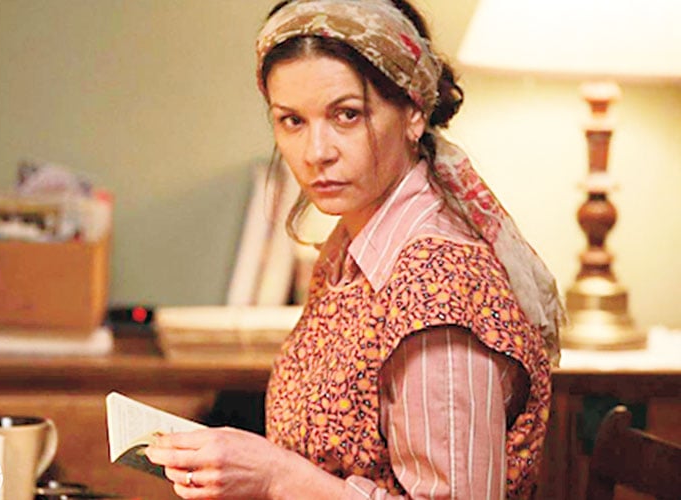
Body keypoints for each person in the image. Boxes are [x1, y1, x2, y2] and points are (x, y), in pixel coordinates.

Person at [145, 1, 564, 498]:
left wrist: (276, 476)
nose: (316, 152)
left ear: (414, 112)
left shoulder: (438, 286)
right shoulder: (352, 249)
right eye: (292, 121)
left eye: (347, 115)